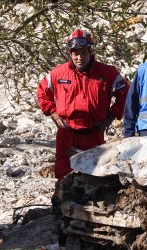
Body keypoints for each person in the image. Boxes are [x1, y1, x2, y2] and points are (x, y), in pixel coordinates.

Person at [37, 28, 129, 184]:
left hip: (93, 134)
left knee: (94, 177)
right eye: (75, 53)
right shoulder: (58, 73)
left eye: (83, 53)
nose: (79, 57)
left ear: (90, 51)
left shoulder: (108, 73)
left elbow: (126, 93)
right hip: (67, 134)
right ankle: (60, 207)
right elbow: (42, 92)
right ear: (70, 53)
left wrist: (112, 116)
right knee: (64, 178)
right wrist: (52, 112)